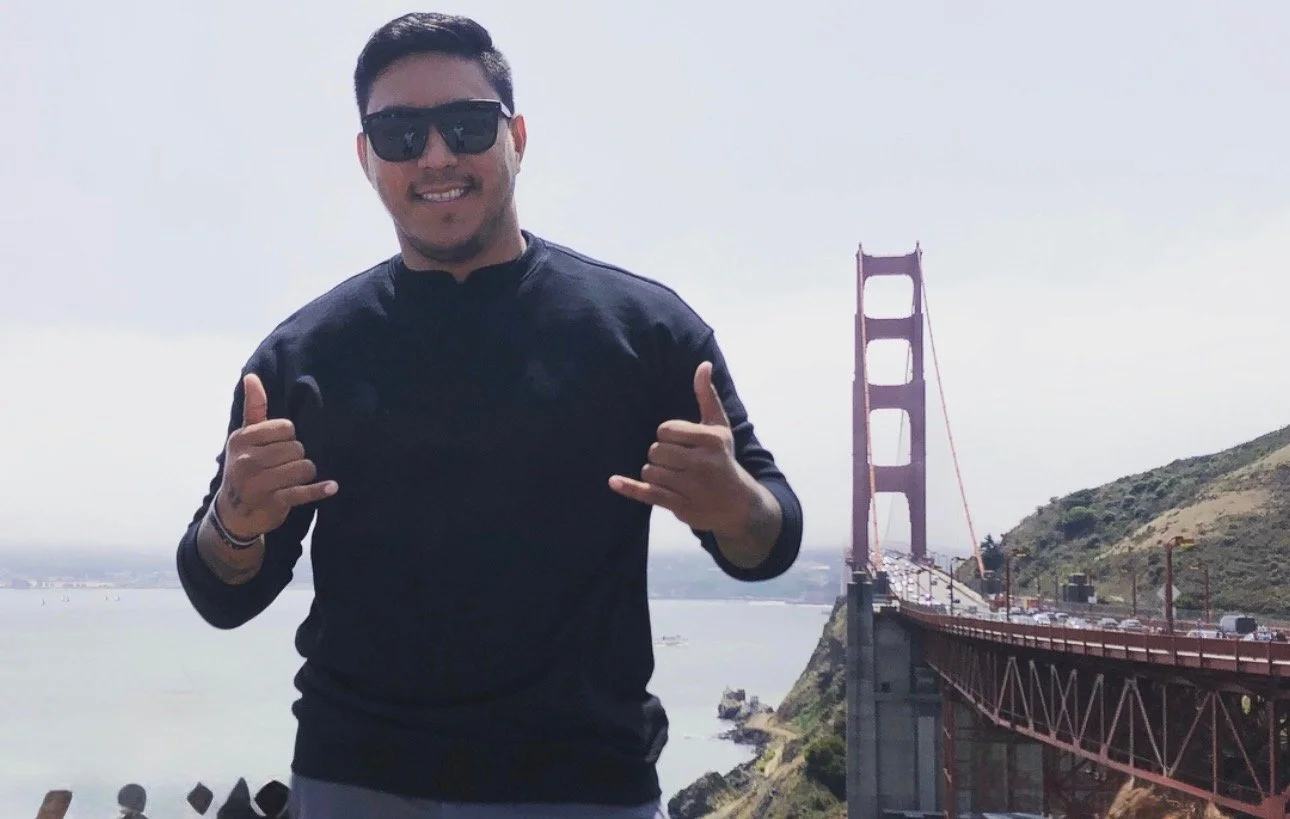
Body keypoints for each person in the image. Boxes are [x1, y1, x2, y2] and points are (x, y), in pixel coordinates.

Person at [175, 11, 804, 819]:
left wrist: (734, 506)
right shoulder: (299, 358)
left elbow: (770, 541)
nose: (436, 155)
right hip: (354, 780)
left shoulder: (647, 333)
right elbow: (220, 592)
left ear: (518, 138)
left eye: (467, 125)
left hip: (581, 788)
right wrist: (235, 522)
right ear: (366, 159)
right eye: (400, 134)